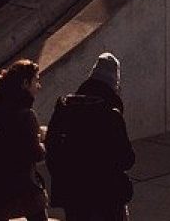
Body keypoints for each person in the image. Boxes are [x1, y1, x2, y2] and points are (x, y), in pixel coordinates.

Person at [46, 53, 136, 221]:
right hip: (106, 194)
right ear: (113, 84)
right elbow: (126, 159)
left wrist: (62, 174)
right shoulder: (110, 114)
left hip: (72, 190)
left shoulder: (65, 107)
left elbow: (51, 147)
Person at [0, 59, 50, 221]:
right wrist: (42, 140)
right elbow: (36, 154)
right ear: (25, 84)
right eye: (36, 81)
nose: (38, 86)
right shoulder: (26, 115)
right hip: (23, 188)